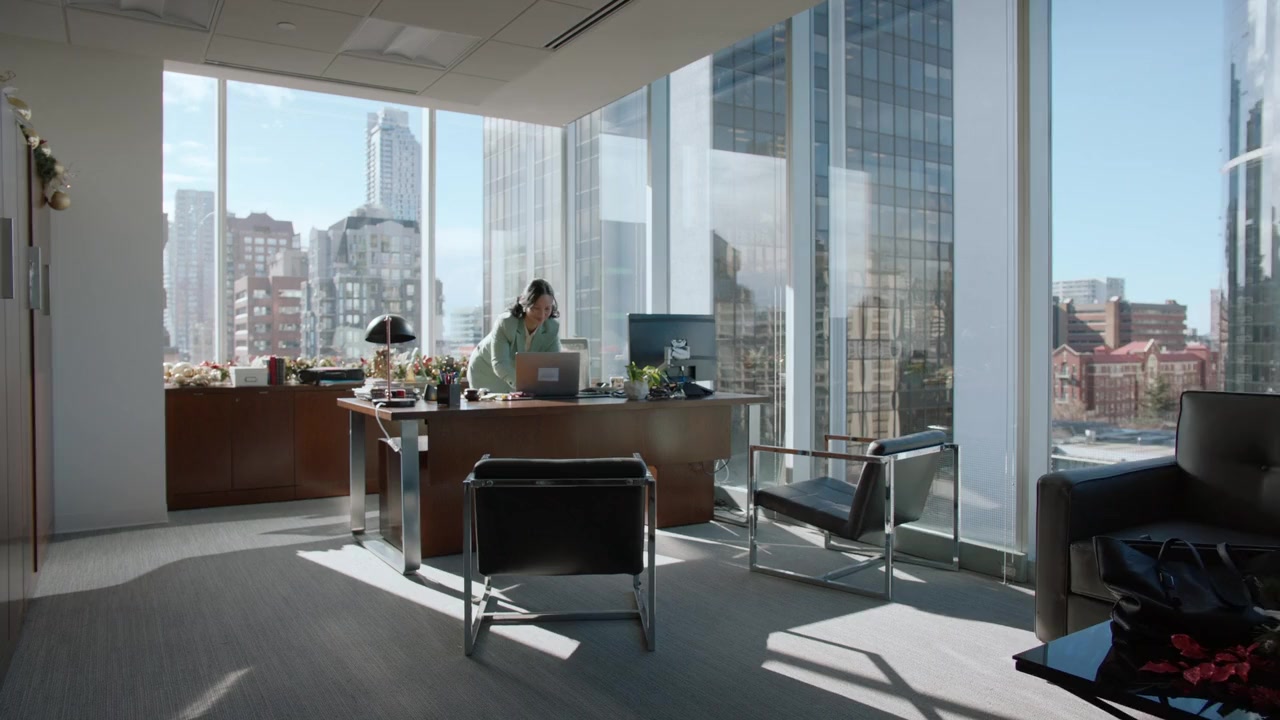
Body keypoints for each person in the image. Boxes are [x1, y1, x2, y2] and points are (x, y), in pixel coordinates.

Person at [467, 279, 562, 393]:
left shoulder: (552, 328)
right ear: (525, 304)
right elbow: (500, 363)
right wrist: (527, 386)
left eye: (547, 308)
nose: (542, 315)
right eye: (536, 308)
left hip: (517, 375)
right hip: (486, 370)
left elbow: (553, 364)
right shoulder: (506, 323)